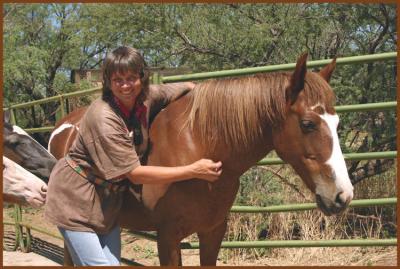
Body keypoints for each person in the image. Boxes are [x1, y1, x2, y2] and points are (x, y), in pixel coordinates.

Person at [44, 46, 222, 266]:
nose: (125, 85)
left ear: (142, 78)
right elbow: (135, 174)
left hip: (108, 202)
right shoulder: (103, 116)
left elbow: (174, 89)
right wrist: (194, 170)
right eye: (117, 79)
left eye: (131, 78)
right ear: (108, 81)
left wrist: (196, 90)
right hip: (75, 198)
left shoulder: (145, 99)